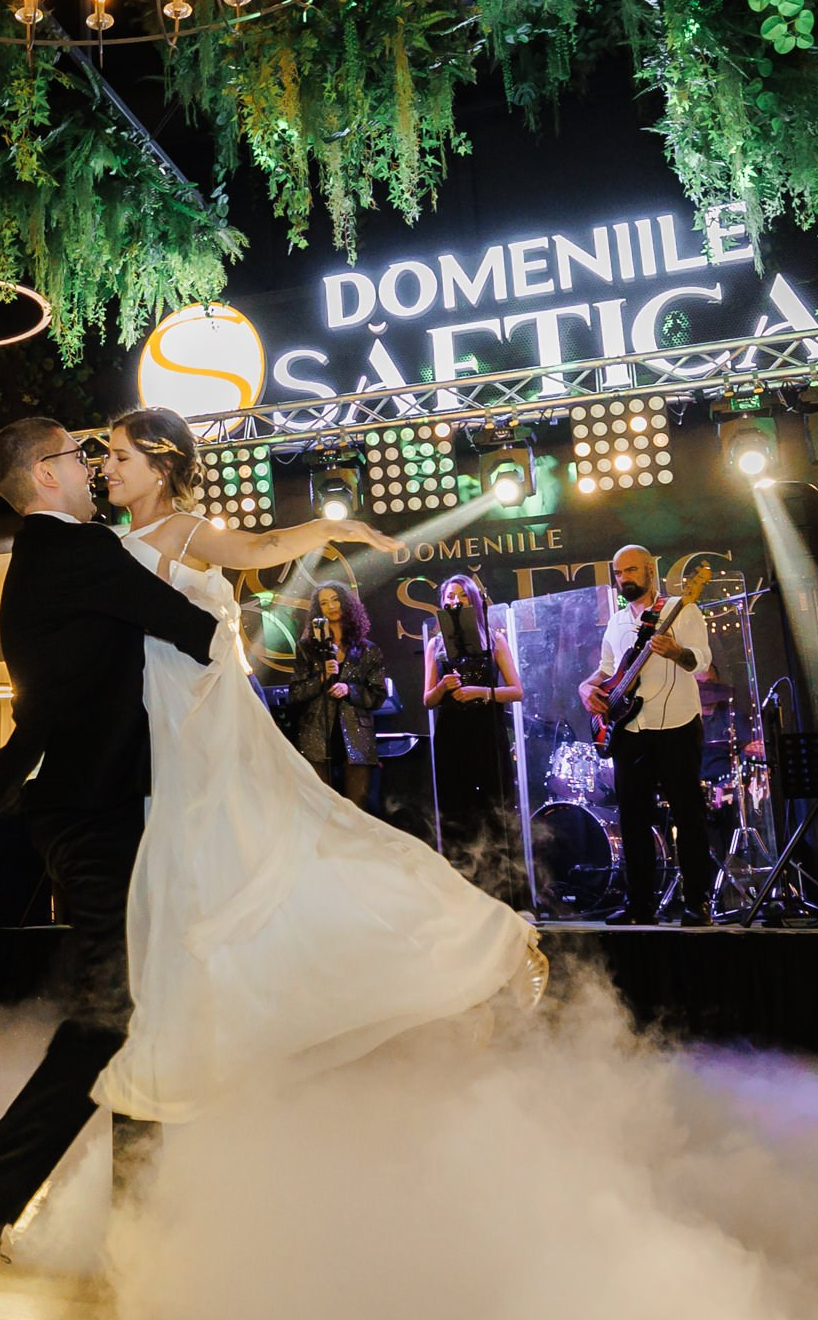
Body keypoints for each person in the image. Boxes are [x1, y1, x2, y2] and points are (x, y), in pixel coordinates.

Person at [93, 407, 544, 1144]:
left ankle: (470, 949)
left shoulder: (181, 530)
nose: (106, 467)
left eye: (119, 455)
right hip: (160, 724)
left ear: (162, 463)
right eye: (106, 455)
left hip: (201, 721)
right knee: (221, 873)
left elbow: (259, 546)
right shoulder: (112, 541)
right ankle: (196, 1048)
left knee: (289, 845)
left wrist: (336, 529)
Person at [0, 415, 222, 1320]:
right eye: (78, 457)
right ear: (44, 475)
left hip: (105, 811)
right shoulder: (75, 550)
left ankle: (141, 1229)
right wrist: (207, 567)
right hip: (91, 819)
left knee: (148, 1009)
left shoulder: (53, 557)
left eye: (103, 457)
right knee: (113, 1011)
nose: (93, 469)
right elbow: (196, 632)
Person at [578, 544, 714, 926]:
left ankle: (697, 903)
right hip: (631, 728)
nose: (624, 579)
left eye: (632, 570)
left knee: (688, 815)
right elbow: (607, 670)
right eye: (619, 573)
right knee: (633, 819)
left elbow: (701, 662)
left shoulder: (682, 609)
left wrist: (675, 652)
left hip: (677, 725)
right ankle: (640, 905)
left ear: (650, 571)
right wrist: (586, 688)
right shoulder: (617, 622)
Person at [424, 573, 529, 906]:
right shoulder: (436, 645)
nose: (455, 601)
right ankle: (464, 899)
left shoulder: (493, 641)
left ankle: (512, 898)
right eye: (449, 597)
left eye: (461, 596)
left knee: (496, 812)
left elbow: (516, 690)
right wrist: (443, 687)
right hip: (451, 736)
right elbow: (427, 699)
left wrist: (481, 691)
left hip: (486, 733)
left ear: (473, 599)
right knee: (457, 813)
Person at [289, 584, 387, 807]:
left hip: (356, 738)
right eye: (324, 603)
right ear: (318, 610)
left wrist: (350, 690)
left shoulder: (368, 650)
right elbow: (295, 693)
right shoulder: (306, 648)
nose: (331, 606)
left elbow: (378, 695)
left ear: (346, 603)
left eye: (335, 600)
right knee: (320, 806)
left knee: (358, 806)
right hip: (317, 735)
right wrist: (321, 679)